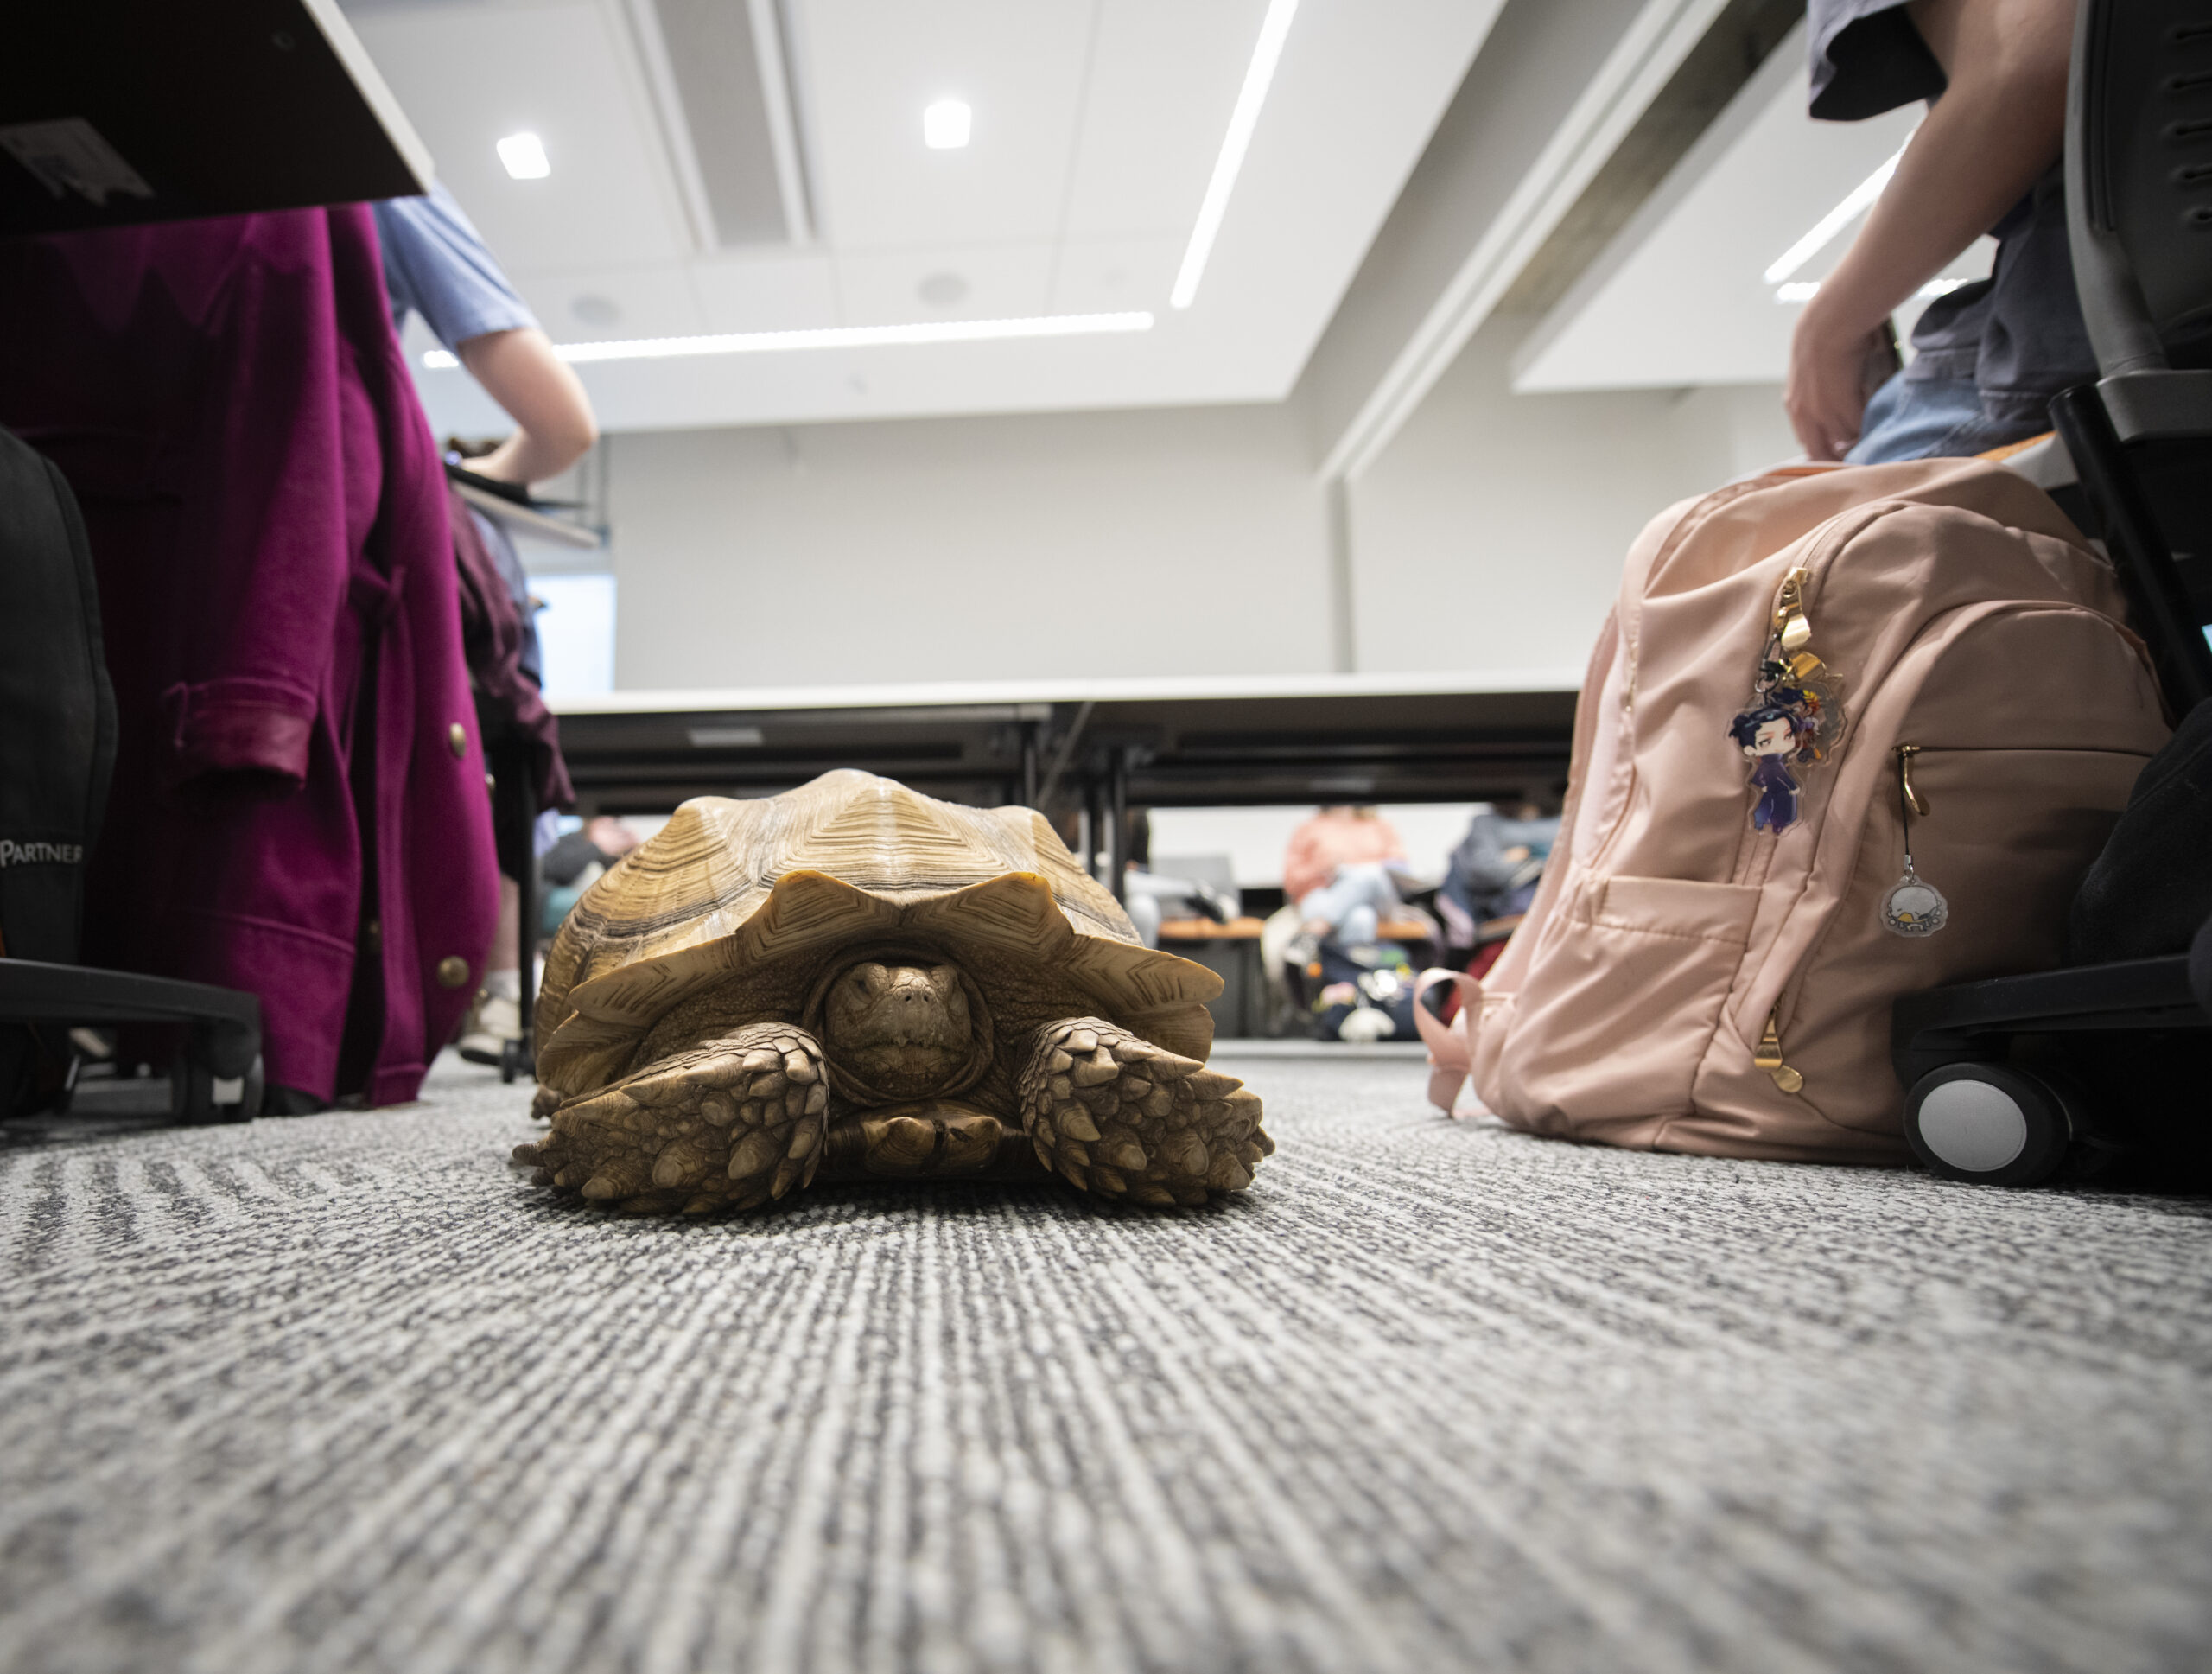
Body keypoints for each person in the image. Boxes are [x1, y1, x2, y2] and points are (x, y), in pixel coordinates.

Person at [374, 180, 600, 1062]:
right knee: (494, 735)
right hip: (433, 607)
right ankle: (502, 989)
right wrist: (476, 480)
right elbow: (564, 426)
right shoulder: (377, 190)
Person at [1784, 0, 2092, 464]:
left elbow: (2026, 64)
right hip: (2143, 288)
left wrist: (1825, 330)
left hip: (2098, 309)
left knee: (1755, 526)